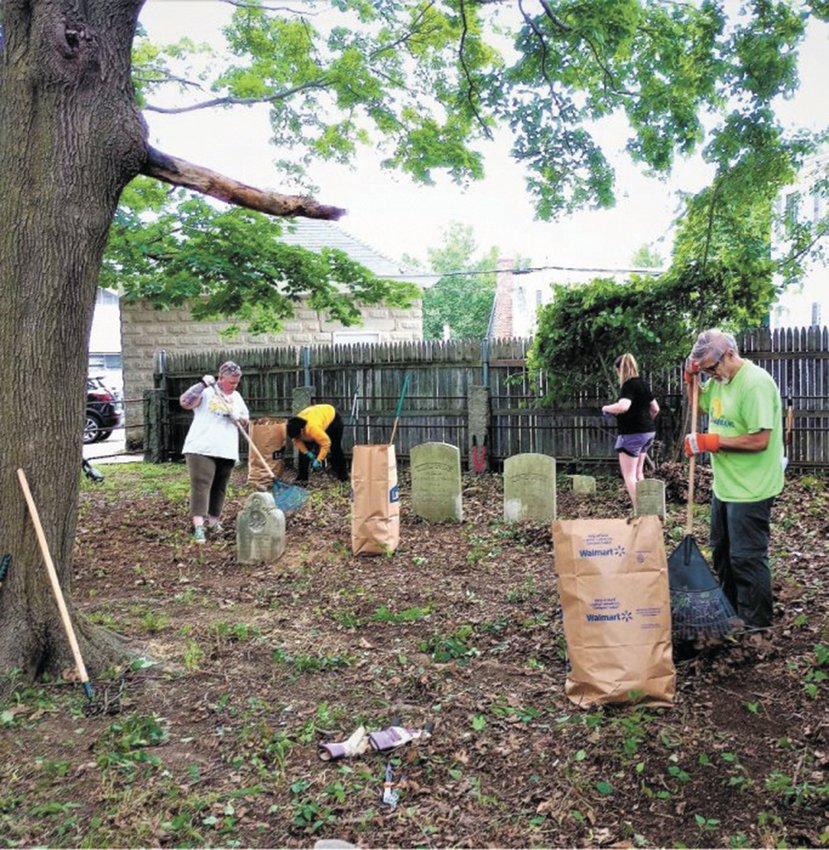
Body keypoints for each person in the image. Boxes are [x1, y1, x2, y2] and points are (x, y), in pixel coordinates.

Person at [684, 329, 784, 632]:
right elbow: (698, 403)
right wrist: (691, 379)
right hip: (725, 485)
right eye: (706, 370)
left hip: (752, 488)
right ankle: (731, 613)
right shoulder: (719, 381)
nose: (711, 375)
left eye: (713, 367)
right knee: (722, 552)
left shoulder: (754, 384)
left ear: (730, 354)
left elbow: (760, 441)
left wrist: (711, 442)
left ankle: (757, 627)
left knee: (746, 557)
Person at [179, 361, 249, 544]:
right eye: (231, 382)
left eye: (237, 382)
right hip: (201, 447)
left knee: (220, 486)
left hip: (226, 449)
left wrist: (238, 419)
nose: (234, 385)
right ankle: (199, 526)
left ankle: (213, 522)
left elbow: (246, 420)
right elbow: (184, 402)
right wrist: (202, 384)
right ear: (221, 378)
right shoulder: (207, 391)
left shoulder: (237, 397)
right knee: (202, 484)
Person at [601, 353, 660, 504]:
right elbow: (655, 409)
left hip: (632, 435)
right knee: (639, 473)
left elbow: (623, 406)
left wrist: (606, 408)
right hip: (648, 433)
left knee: (629, 475)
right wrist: (645, 423)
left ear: (620, 370)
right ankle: (650, 508)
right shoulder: (644, 384)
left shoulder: (628, 385)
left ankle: (640, 511)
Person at [287, 403, 349, 482]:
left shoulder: (313, 428)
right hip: (316, 416)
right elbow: (297, 441)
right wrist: (306, 452)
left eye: (298, 436)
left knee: (335, 447)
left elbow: (326, 443)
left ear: (302, 431)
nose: (297, 439)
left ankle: (342, 475)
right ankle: (302, 479)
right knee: (302, 454)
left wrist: (319, 459)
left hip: (332, 419)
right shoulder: (294, 425)